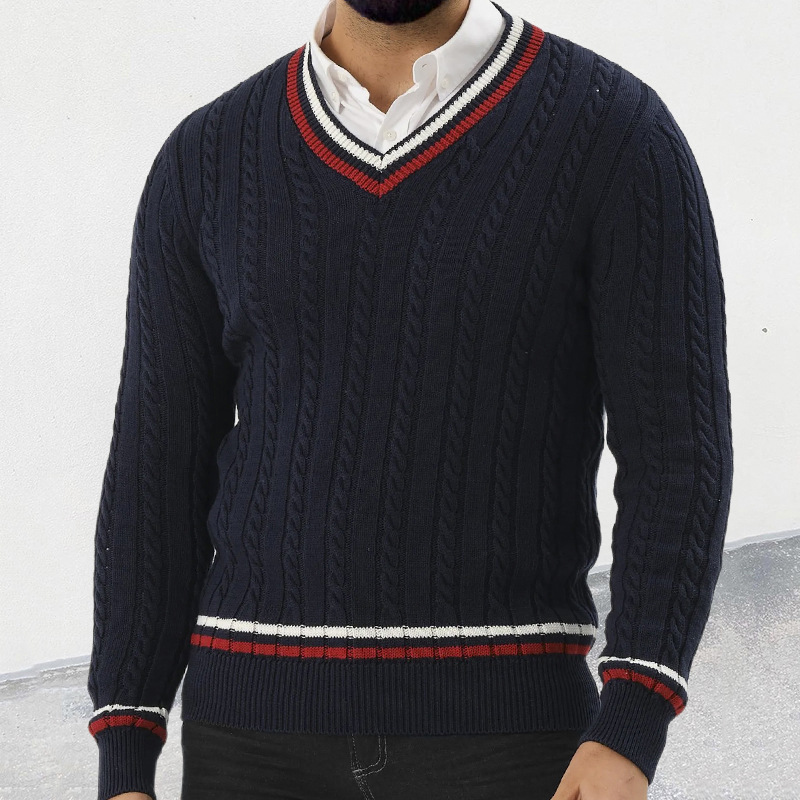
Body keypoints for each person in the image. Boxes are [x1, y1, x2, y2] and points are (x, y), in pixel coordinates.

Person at [86, 0, 734, 798]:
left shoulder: (615, 130)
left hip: (511, 738)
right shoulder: (206, 155)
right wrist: (126, 747)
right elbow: (156, 466)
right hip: (249, 744)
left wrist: (634, 716)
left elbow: (678, 450)